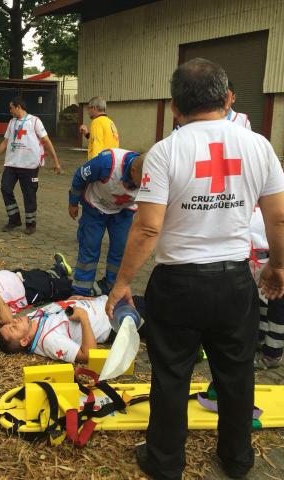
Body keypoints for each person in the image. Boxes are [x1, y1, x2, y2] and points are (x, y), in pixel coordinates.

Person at [105, 58, 284, 480]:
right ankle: (237, 459)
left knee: (171, 373)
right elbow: (277, 218)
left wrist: (123, 282)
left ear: (174, 107)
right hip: (234, 280)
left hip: (178, 282)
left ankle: (165, 462)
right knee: (236, 372)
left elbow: (148, 226)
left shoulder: (166, 151)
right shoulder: (258, 145)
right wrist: (277, 266)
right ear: (227, 99)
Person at [68, 148, 144, 296]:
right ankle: (81, 289)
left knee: (120, 249)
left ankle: (111, 287)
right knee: (90, 246)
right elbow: (80, 176)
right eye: (140, 181)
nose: (143, 185)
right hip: (95, 207)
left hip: (123, 211)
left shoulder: (152, 175)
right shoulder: (107, 163)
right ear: (133, 171)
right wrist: (73, 202)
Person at [0, 96, 61, 235]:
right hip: (12, 164)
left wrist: (56, 161)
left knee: (29, 195)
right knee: (5, 189)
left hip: (29, 166)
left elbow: (46, 140)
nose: (10, 110)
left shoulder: (34, 121)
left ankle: (31, 223)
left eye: (11, 107)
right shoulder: (12, 122)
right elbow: (5, 142)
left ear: (18, 107)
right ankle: (14, 219)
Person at [0, 296, 114, 363]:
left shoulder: (30, 321)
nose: (14, 321)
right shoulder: (50, 340)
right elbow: (87, 356)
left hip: (106, 301)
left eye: (10, 323)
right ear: (24, 341)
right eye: (13, 327)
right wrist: (84, 317)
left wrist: (71, 300)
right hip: (112, 320)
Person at [249, 207, 283, 369]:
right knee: (261, 302)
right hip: (255, 261)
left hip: (276, 260)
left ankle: (273, 353)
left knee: (277, 308)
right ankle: (260, 339)